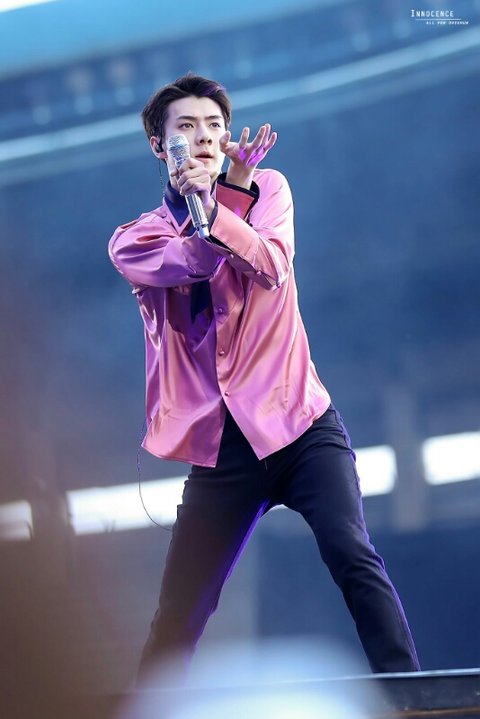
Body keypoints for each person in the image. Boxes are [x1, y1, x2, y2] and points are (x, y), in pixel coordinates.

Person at [108, 73, 420, 683]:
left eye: (214, 126)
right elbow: (196, 260)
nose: (203, 138)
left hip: (300, 424)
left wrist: (230, 195)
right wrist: (216, 201)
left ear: (228, 137)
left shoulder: (269, 188)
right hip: (223, 450)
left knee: (351, 551)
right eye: (186, 128)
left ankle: (414, 694)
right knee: (182, 608)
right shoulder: (135, 240)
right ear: (158, 145)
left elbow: (272, 265)